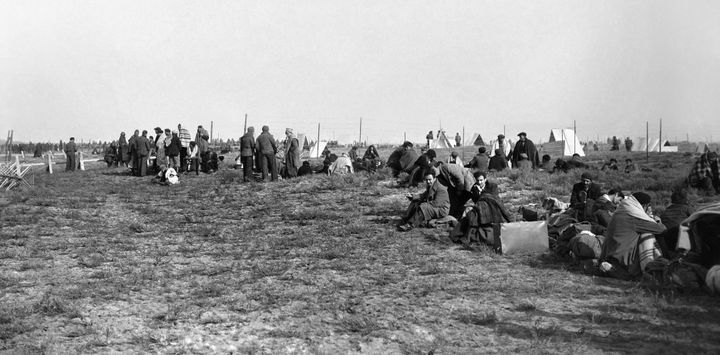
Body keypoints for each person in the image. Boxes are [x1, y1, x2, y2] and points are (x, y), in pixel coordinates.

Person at [599, 192, 667, 280]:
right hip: (622, 261)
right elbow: (662, 229)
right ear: (643, 205)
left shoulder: (623, 210)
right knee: (647, 235)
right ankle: (649, 269)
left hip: (610, 256)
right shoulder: (634, 217)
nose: (650, 208)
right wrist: (656, 220)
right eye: (649, 206)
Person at [449, 170, 511, 246]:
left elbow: (493, 198)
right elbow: (477, 202)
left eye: (481, 180)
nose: (480, 182)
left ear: (485, 179)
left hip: (494, 206)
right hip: (482, 208)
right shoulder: (474, 188)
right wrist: (477, 193)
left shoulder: (492, 186)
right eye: (478, 180)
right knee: (470, 216)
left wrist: (481, 192)